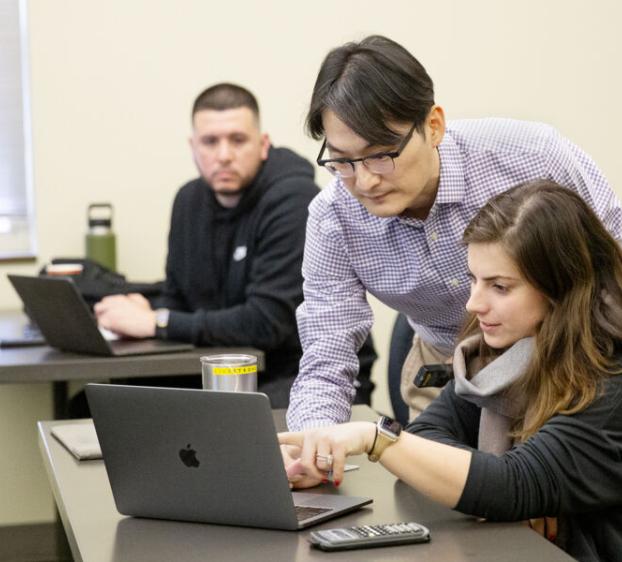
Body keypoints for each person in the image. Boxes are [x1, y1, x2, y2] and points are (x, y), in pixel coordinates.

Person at [286, 34, 622, 429]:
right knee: (428, 479)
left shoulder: (533, 157)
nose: (364, 181)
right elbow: (326, 359)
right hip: (446, 364)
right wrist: (312, 442)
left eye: (380, 155)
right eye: (342, 162)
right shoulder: (333, 220)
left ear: (433, 126)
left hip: (567, 357)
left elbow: (613, 263)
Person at [280, 180, 622, 562]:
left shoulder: (610, 376)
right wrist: (496, 484)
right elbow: (430, 432)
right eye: (475, 280)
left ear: (563, 285)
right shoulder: (501, 355)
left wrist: (376, 440)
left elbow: (514, 484)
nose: (474, 303)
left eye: (500, 287)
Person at [94, 83, 376, 408]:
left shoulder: (293, 200)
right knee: (101, 404)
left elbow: (265, 322)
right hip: (230, 370)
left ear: (263, 144)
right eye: (210, 142)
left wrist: (158, 322)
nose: (224, 155)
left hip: (303, 375)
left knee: (206, 421)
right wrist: (149, 310)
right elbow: (180, 296)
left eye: (238, 140)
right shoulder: (188, 201)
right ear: (193, 146)